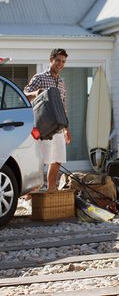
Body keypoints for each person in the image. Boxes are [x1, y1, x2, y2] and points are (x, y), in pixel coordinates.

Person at [24, 48, 71, 191]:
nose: (60, 64)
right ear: (51, 60)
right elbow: (24, 93)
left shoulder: (62, 82)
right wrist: (36, 93)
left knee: (57, 160)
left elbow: (63, 106)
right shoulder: (39, 77)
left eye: (63, 61)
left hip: (59, 128)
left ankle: (51, 190)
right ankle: (31, 194)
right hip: (44, 127)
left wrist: (67, 129)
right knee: (41, 161)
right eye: (57, 60)